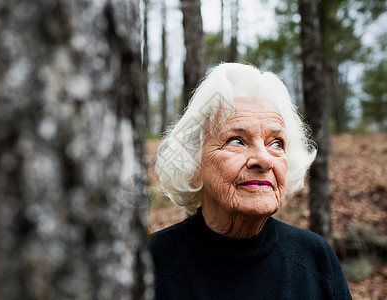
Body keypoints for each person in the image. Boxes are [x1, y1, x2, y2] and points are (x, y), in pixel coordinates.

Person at [149, 63, 352, 299]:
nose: (264, 160)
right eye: (237, 140)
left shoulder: (316, 258)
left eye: (276, 143)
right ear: (193, 163)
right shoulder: (149, 265)